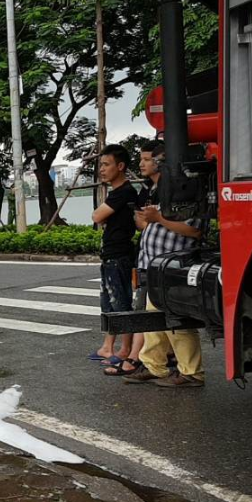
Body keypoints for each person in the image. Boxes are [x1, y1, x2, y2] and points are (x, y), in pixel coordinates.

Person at [122, 149, 208, 388]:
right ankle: (154, 366)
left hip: (174, 267)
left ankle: (192, 373)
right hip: (156, 269)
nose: (141, 163)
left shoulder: (185, 192)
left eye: (147, 159)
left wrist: (158, 219)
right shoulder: (158, 191)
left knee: (177, 322)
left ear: (163, 164)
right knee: (154, 322)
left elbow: (195, 230)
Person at [105, 141, 163, 377]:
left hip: (161, 257)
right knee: (144, 308)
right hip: (147, 256)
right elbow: (140, 222)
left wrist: (151, 219)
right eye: (141, 159)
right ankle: (146, 358)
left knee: (141, 309)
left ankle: (134, 356)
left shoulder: (166, 189)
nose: (142, 163)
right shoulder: (147, 188)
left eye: (147, 159)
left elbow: (145, 221)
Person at [91, 144, 139, 365]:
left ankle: (124, 349)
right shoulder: (118, 193)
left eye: (106, 164)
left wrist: (101, 215)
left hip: (119, 255)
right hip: (111, 255)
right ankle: (107, 347)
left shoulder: (125, 192)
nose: (102, 169)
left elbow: (97, 215)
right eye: (101, 165)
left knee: (121, 304)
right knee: (109, 303)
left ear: (120, 166)